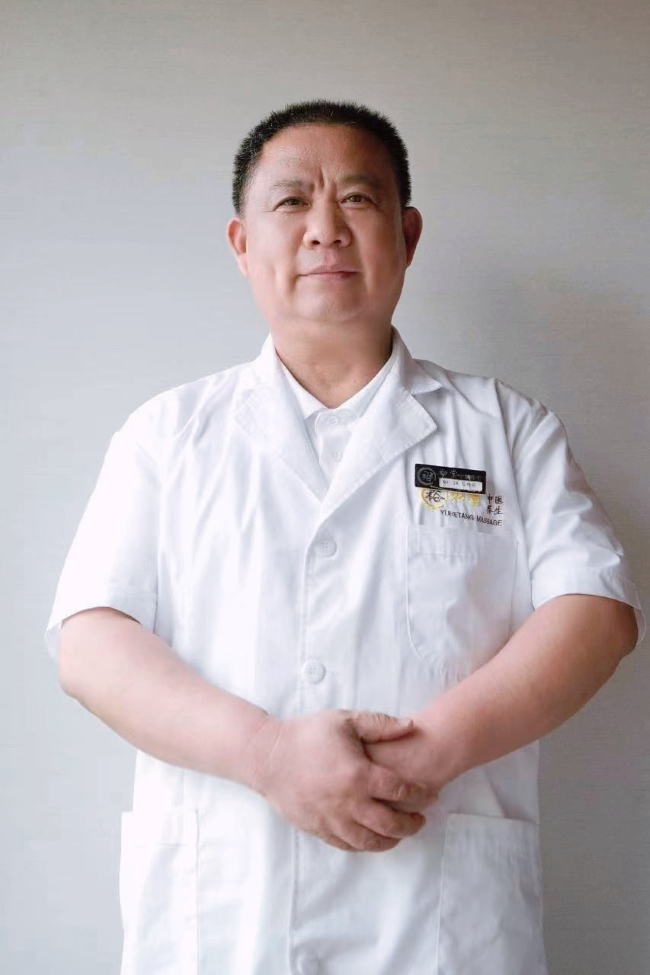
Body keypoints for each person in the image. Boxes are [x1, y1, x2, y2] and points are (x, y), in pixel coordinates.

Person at [47, 100, 644, 975]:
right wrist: (265, 754)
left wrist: (426, 755)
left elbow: (596, 614)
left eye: (358, 199)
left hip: (439, 923)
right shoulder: (165, 437)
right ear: (241, 243)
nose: (325, 227)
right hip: (226, 920)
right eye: (292, 201)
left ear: (407, 234)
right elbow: (90, 644)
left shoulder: (507, 430)